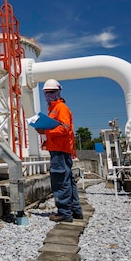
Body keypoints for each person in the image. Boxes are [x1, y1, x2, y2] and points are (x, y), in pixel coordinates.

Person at [35, 79, 83, 222]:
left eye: (52, 92)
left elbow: (64, 128)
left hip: (60, 150)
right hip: (60, 149)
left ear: (58, 92)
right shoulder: (53, 109)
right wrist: (44, 132)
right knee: (68, 180)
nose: (49, 95)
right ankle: (75, 211)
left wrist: (46, 131)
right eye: (47, 93)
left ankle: (64, 213)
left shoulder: (60, 108)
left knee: (60, 180)